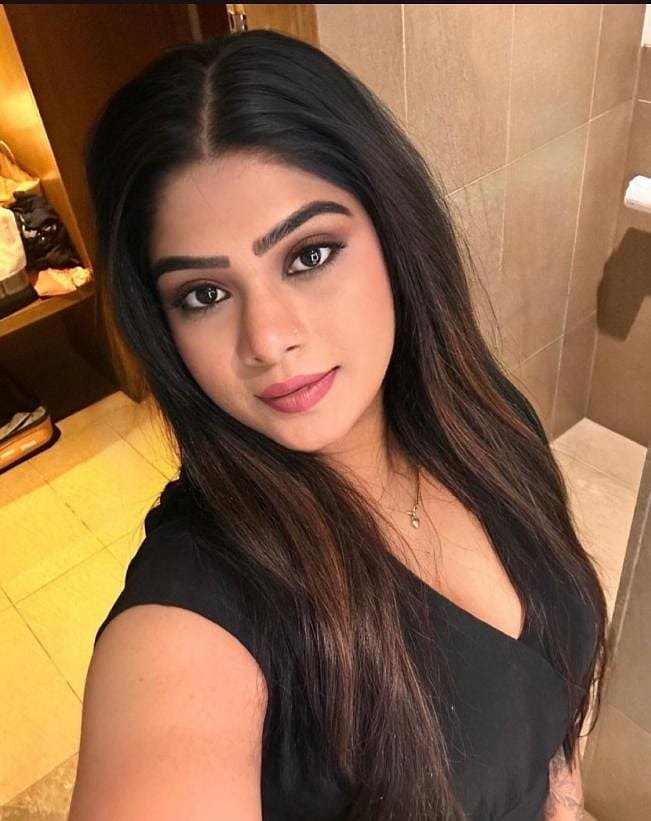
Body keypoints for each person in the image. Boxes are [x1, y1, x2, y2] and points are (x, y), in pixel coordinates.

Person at [69, 29, 610, 821]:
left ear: (393, 231)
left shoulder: (489, 424)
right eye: (204, 295)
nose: (267, 339)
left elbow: (550, 698)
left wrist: (560, 800)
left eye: (309, 254)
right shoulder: (191, 621)